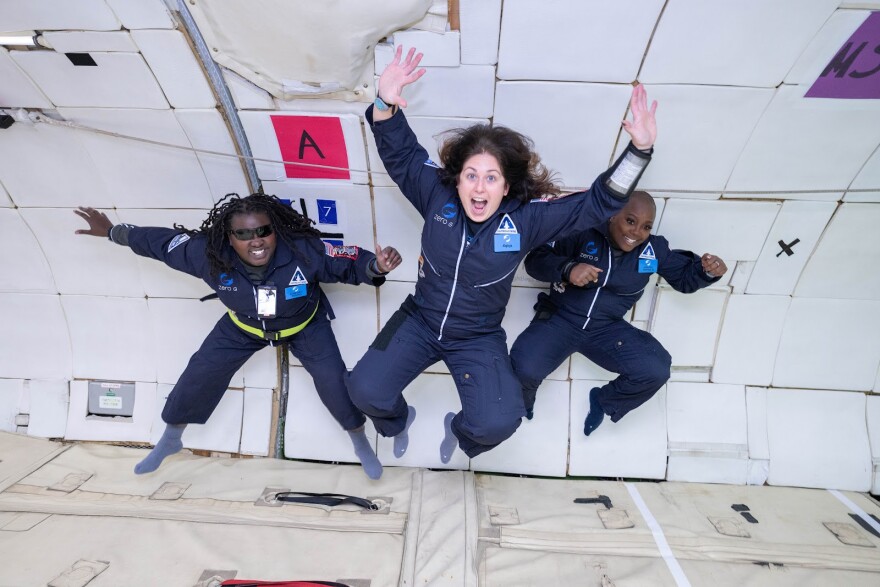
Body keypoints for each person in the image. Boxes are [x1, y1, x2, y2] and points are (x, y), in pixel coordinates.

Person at [345, 46, 658, 462]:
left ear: (506, 186)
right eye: (471, 176)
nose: (479, 188)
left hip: (476, 335)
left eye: (491, 178)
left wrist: (637, 152)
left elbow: (595, 204)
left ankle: (459, 433)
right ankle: (397, 422)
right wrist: (384, 101)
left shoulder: (527, 219)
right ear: (457, 181)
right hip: (420, 319)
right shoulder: (438, 198)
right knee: (364, 390)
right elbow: (401, 154)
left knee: (498, 422)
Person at [74, 193, 402, 479]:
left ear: (275, 230)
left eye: (262, 231)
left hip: (304, 325)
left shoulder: (303, 250)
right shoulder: (207, 254)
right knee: (201, 371)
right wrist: (114, 232)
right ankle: (172, 437)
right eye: (244, 234)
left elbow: (346, 261)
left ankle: (359, 441)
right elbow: (160, 244)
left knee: (333, 383)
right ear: (229, 238)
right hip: (243, 327)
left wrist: (377, 266)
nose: (255, 240)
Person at [510, 191, 728, 435]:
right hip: (561, 319)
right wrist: (568, 269)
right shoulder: (583, 231)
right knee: (524, 368)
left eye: (646, 226)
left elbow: (685, 280)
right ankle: (521, 404)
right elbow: (536, 260)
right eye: (631, 221)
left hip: (606, 328)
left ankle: (604, 401)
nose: (636, 232)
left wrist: (709, 272)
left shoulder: (653, 249)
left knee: (655, 369)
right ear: (613, 215)